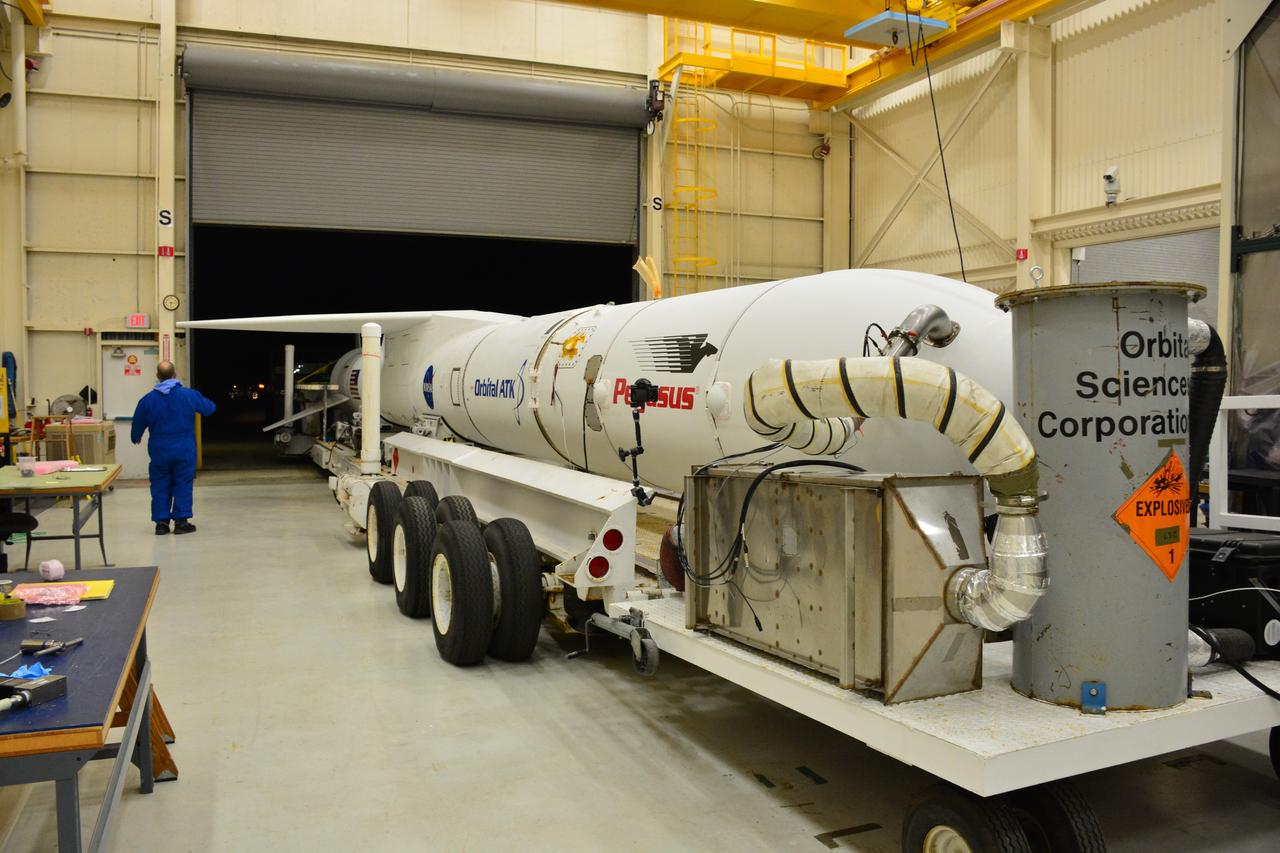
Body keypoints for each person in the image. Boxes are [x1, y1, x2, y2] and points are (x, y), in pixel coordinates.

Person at [131, 361, 216, 535]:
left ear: (157, 376)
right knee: (183, 482)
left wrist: (136, 437)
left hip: (159, 449)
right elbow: (210, 409)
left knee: (160, 484)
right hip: (184, 448)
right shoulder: (188, 395)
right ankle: (181, 522)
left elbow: (137, 425)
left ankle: (161, 523)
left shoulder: (147, 400)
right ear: (175, 375)